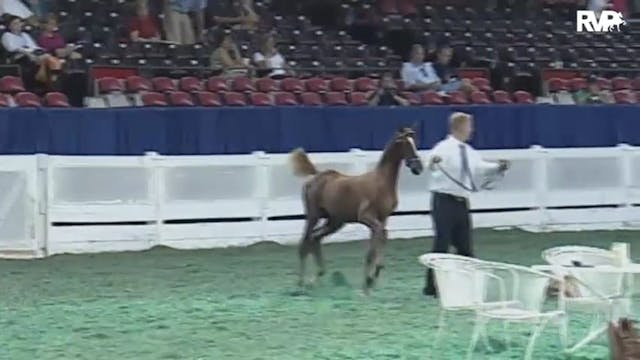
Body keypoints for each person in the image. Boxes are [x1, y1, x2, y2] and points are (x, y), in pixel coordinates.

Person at [423, 112, 510, 297]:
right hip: (444, 200)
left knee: (465, 245)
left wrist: (497, 167)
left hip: (461, 202)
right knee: (442, 243)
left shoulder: (469, 151)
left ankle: (468, 283)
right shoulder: (444, 147)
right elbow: (429, 163)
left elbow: (480, 166)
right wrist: (433, 162)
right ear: (460, 127)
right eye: (469, 126)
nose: (472, 130)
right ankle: (432, 286)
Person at [2, 15, 61, 88]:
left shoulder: (24, 35)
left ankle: (48, 79)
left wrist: (41, 51)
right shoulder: (7, 36)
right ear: (9, 26)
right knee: (41, 59)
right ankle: (45, 79)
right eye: (15, 23)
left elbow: (33, 46)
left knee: (47, 57)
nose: (18, 25)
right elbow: (11, 48)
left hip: (32, 54)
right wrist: (27, 52)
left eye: (19, 23)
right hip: (17, 57)